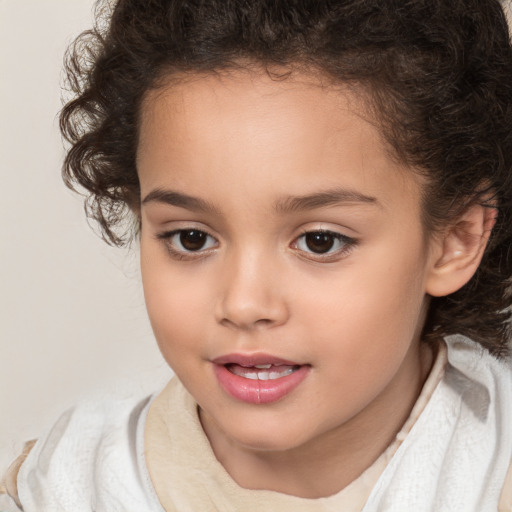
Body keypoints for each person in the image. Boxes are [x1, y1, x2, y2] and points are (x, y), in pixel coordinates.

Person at [1, 0, 512, 510]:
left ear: (455, 240)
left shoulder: (494, 476)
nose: (244, 304)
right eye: (191, 238)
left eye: (320, 241)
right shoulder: (63, 487)